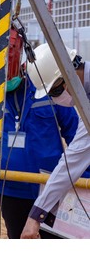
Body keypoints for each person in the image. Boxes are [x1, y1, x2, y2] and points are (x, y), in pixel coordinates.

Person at [0, 28, 80, 239]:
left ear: (24, 66)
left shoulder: (47, 90)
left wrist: (82, 175)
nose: (5, 81)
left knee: (58, 240)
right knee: (19, 237)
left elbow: (75, 134)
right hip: (10, 188)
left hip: (51, 186)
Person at [21, 43, 90, 239]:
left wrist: (35, 216)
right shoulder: (84, 98)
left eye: (53, 93)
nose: (54, 99)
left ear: (66, 77)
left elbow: (74, 158)